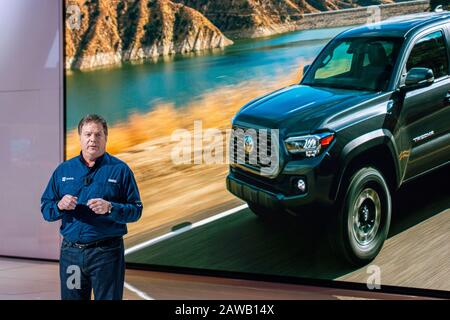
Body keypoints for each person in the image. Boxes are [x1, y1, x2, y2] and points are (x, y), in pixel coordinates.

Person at [40, 114, 143, 300]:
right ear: (79, 137)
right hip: (71, 254)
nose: (92, 140)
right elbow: (46, 209)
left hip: (107, 255)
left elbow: (136, 210)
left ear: (106, 138)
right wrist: (59, 205)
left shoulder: (120, 170)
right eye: (88, 134)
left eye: (98, 135)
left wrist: (111, 207)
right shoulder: (63, 170)